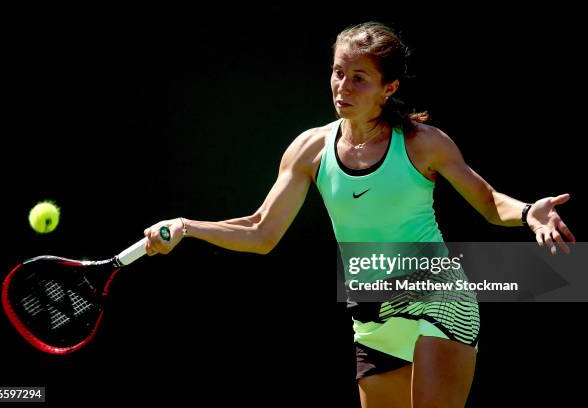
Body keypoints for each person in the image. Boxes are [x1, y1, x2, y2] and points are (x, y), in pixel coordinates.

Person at [143, 22, 575, 407]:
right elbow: (261, 231)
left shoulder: (423, 143)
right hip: (371, 310)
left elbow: (489, 202)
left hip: (438, 298)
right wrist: (187, 227)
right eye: (338, 72)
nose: (342, 87)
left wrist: (528, 214)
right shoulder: (310, 149)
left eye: (359, 78)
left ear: (388, 88)